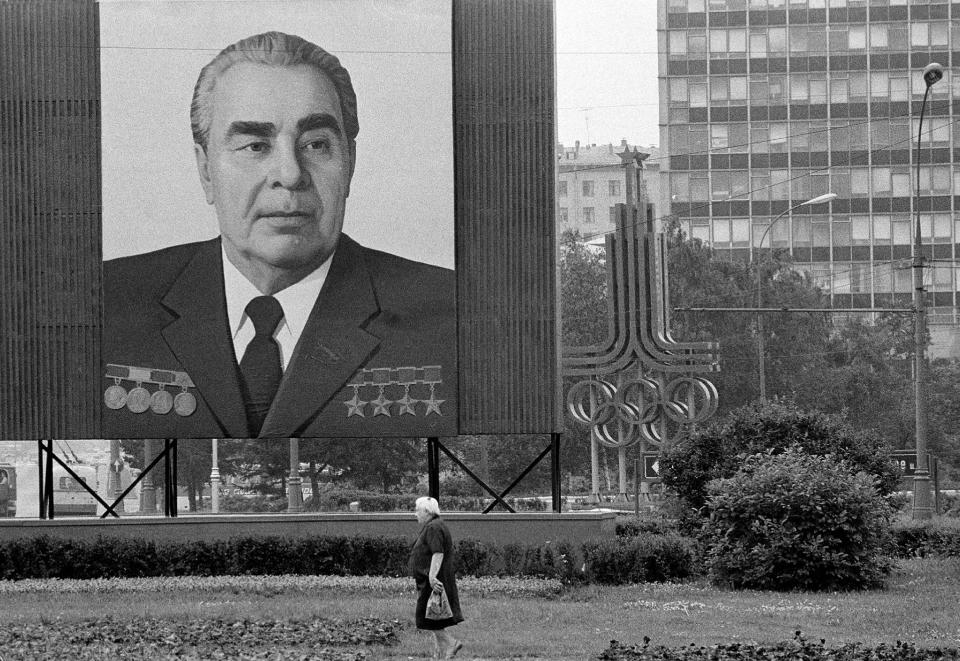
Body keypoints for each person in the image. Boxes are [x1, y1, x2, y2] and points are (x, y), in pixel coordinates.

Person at [101, 31, 456, 439]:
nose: (290, 174)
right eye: (255, 146)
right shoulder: (105, 303)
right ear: (205, 171)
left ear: (350, 163)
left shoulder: (451, 312)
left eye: (316, 144)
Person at [409, 496, 463, 659]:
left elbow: (437, 552)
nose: (415, 514)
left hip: (433, 580)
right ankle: (439, 653)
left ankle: (451, 643)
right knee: (434, 617)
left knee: (427, 618)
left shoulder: (433, 527)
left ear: (426, 511)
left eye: (417, 510)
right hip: (430, 579)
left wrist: (432, 577)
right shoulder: (435, 525)